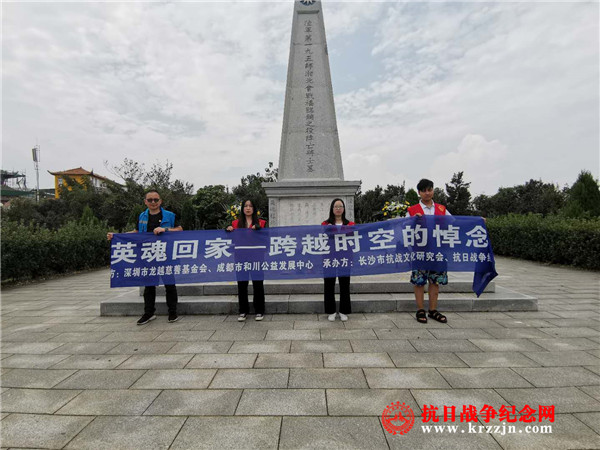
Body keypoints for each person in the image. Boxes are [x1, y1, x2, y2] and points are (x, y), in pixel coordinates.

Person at [107, 189, 183, 325]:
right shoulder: (142, 216)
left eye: (156, 199)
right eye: (150, 200)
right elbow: (136, 232)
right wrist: (117, 236)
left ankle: (172, 312)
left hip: (166, 255)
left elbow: (179, 230)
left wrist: (165, 229)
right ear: (145, 202)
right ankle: (149, 313)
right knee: (149, 286)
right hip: (148, 255)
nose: (153, 202)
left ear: (160, 201)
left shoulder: (170, 215)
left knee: (170, 285)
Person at [407, 179, 450, 324]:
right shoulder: (412, 210)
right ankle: (420, 310)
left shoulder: (442, 209)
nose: (427, 193)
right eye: (424, 190)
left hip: (438, 252)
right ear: (419, 192)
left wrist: (476, 221)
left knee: (435, 281)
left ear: (433, 191)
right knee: (419, 281)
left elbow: (456, 223)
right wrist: (413, 221)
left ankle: (432, 310)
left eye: (429, 190)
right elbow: (403, 228)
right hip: (420, 252)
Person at [226, 199, 267, 321]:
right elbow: (231, 240)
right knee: (242, 284)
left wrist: (260, 230)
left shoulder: (261, 223)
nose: (248, 208)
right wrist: (228, 230)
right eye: (245, 206)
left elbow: (267, 239)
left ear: (254, 209)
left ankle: (259, 310)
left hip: (257, 257)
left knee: (258, 284)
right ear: (242, 208)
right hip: (241, 257)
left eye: (250, 206)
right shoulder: (235, 224)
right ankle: (243, 311)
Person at [322, 198, 355, 322]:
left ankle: (343, 311)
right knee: (329, 284)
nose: (338, 209)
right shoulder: (325, 224)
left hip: (345, 257)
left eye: (340, 206)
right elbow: (323, 237)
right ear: (332, 209)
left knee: (345, 284)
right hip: (329, 258)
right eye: (335, 206)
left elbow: (353, 238)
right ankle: (331, 311)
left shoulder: (350, 224)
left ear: (344, 209)